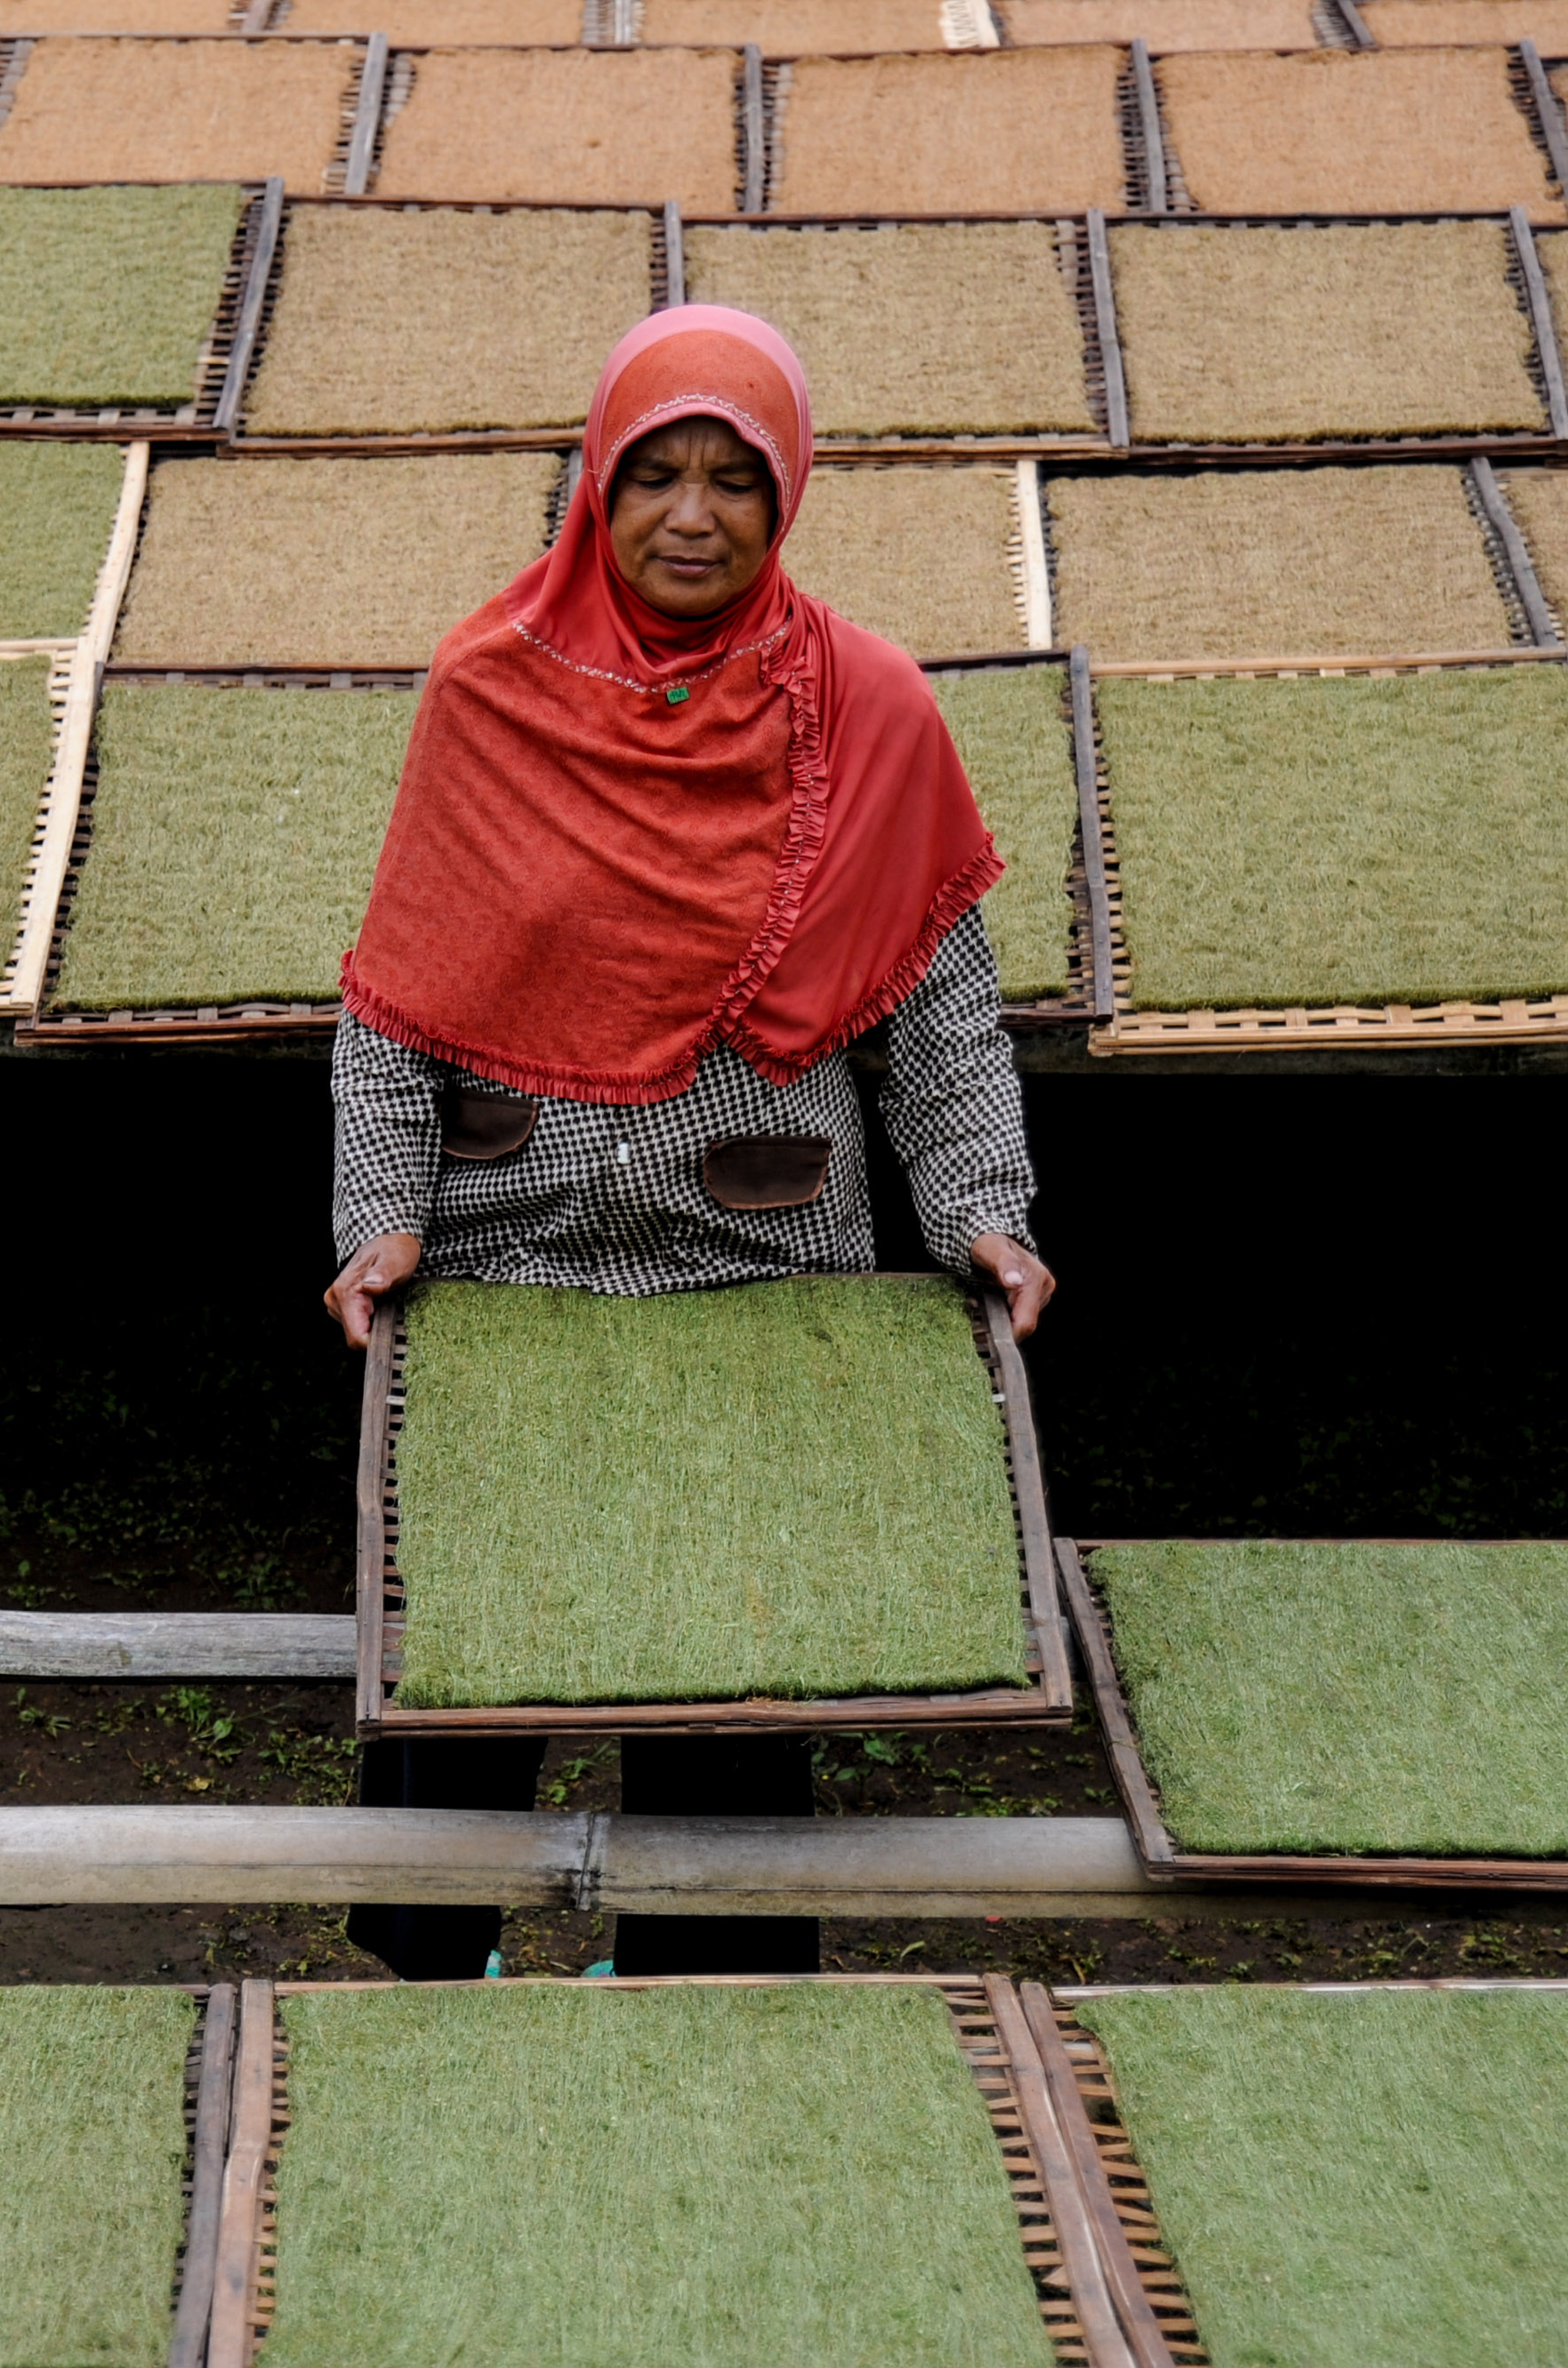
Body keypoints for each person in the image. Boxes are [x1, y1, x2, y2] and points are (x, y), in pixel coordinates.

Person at [321, 304, 1057, 1983]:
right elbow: (395, 996)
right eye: (658, 474)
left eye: (737, 479)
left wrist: (983, 1213)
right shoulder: (488, 687)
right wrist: (383, 1213)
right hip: (517, 1242)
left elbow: (938, 1007)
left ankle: (702, 1978)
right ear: (598, 486)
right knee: (476, 1624)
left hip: (763, 1254)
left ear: (787, 496)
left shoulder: (866, 707)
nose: (695, 516)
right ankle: (434, 1971)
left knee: (741, 1638)